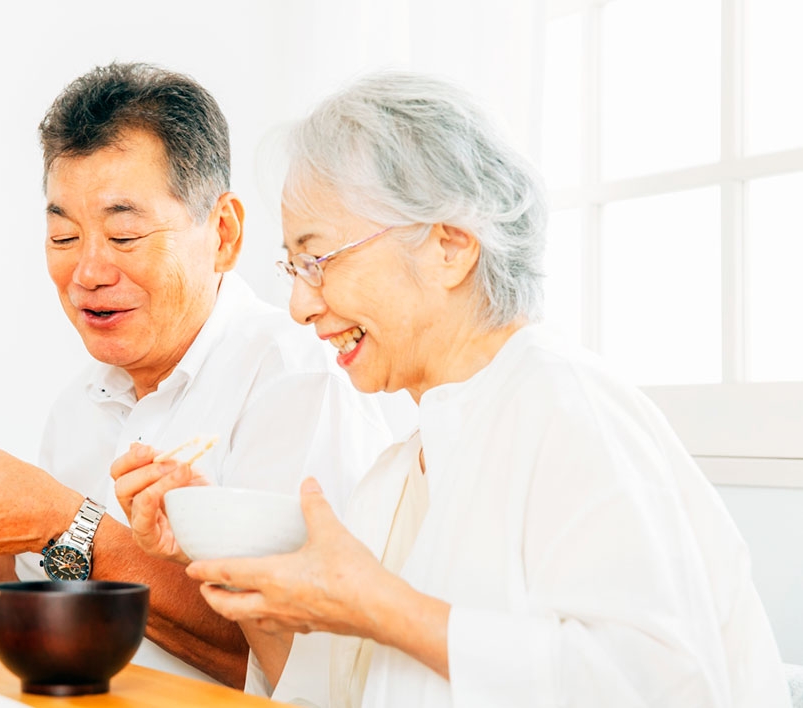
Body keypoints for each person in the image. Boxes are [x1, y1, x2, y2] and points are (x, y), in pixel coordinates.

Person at [113, 71, 791, 707]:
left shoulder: (567, 407)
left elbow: (656, 685)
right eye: (294, 267)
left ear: (450, 247)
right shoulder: (399, 472)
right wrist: (224, 546)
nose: (299, 305)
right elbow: (328, 694)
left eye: (317, 259)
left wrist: (379, 604)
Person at [0, 62, 392, 688]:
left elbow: (302, 665)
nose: (88, 272)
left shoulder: (297, 381)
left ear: (222, 234)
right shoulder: (84, 400)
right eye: (64, 237)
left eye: (124, 234)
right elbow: (35, 585)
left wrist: (67, 523)